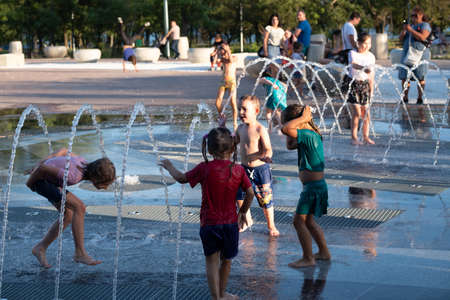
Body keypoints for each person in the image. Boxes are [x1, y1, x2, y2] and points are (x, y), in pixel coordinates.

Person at [159, 127, 254, 300]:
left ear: (209, 150)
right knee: (226, 260)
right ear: (233, 148)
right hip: (230, 223)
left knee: (211, 260)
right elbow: (250, 193)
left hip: (209, 224)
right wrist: (243, 211)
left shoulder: (205, 168)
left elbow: (181, 178)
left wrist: (169, 166)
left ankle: (216, 297)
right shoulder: (238, 169)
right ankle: (222, 294)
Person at [25, 148, 116, 268]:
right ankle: (80, 253)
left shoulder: (82, 161)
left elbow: (63, 151)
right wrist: (30, 183)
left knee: (68, 215)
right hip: (41, 182)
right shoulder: (73, 176)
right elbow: (42, 169)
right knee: (79, 207)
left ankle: (40, 248)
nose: (105, 187)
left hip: (49, 181)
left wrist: (46, 161)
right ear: (95, 178)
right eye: (105, 183)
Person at [281, 104, 331, 268]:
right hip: (314, 186)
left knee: (298, 222)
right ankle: (323, 252)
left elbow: (286, 129)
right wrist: (296, 123)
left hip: (313, 188)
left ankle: (308, 258)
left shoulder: (309, 135)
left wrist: (302, 118)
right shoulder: (309, 135)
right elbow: (289, 144)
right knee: (308, 222)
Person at [236, 95, 280, 236]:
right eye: (239, 109)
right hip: (243, 169)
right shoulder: (240, 129)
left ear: (255, 111)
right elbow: (232, 143)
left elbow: (268, 148)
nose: (241, 112)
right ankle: (246, 220)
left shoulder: (260, 129)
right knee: (240, 197)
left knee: (265, 199)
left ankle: (271, 225)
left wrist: (267, 155)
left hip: (260, 169)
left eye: (244, 109)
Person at [342, 32, 376, 145]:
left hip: (364, 85)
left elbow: (371, 75)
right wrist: (363, 68)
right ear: (358, 43)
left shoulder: (371, 56)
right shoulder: (352, 53)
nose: (367, 46)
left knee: (366, 113)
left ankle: (366, 136)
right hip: (352, 83)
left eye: (369, 43)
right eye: (365, 43)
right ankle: (354, 137)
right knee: (356, 112)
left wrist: (372, 89)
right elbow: (353, 64)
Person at [398, 6, 431, 104]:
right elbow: (400, 39)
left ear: (421, 15)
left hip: (420, 55)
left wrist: (411, 30)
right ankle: (405, 97)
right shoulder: (409, 26)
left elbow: (423, 37)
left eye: (415, 15)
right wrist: (404, 31)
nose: (413, 18)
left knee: (420, 77)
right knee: (404, 77)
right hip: (407, 54)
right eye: (411, 16)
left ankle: (420, 98)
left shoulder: (425, 25)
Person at [215, 43, 238, 131]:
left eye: (223, 50)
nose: (223, 52)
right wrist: (217, 53)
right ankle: (222, 117)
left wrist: (227, 50)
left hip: (232, 82)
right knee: (217, 102)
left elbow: (231, 61)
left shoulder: (234, 57)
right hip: (223, 82)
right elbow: (215, 62)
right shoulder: (223, 59)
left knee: (233, 102)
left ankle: (235, 122)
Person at [259, 64, 288, 133]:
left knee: (269, 112)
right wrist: (284, 94)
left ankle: (271, 128)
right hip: (279, 97)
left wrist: (272, 84)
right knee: (277, 111)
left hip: (272, 96)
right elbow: (286, 86)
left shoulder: (266, 79)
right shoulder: (278, 81)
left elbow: (261, 80)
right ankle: (281, 126)